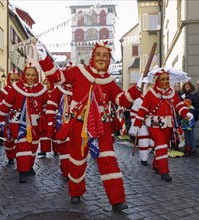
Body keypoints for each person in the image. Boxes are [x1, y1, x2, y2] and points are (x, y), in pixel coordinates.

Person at [37, 41, 143, 212]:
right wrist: (44, 59)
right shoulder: (79, 72)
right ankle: (75, 192)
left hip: (102, 128)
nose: (101, 58)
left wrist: (138, 87)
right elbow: (58, 78)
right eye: (99, 55)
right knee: (77, 160)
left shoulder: (109, 81)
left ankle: (117, 200)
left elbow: (122, 100)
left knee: (108, 161)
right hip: (79, 125)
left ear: (109, 60)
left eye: (105, 56)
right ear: (93, 57)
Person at [129, 68, 193, 182]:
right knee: (161, 145)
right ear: (157, 80)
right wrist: (136, 125)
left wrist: (186, 113)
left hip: (168, 125)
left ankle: (156, 165)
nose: (165, 81)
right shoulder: (151, 93)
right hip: (154, 125)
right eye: (162, 79)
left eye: (167, 79)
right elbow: (143, 110)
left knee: (163, 145)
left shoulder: (171, 92)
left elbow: (178, 105)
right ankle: (164, 172)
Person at [0, 62, 48, 183]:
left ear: (37, 76)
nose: (30, 77)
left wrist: (48, 121)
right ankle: (22, 171)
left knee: (33, 146)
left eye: (33, 75)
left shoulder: (41, 89)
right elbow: (7, 103)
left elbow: (45, 106)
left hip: (36, 123)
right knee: (23, 146)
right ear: (24, 75)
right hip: (19, 122)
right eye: (28, 75)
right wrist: (0, 116)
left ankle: (29, 167)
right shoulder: (16, 88)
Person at [0, 69, 20, 165]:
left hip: (19, 118)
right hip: (8, 119)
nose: (14, 82)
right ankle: (10, 157)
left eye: (16, 80)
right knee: (9, 139)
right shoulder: (4, 90)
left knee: (20, 139)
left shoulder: (22, 90)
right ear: (8, 80)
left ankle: (20, 157)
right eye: (12, 80)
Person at [130, 84, 154, 165]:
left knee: (152, 142)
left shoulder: (154, 100)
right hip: (142, 124)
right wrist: (135, 123)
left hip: (151, 124)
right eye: (149, 89)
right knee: (144, 141)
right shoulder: (138, 100)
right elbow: (133, 113)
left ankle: (146, 154)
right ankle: (144, 159)